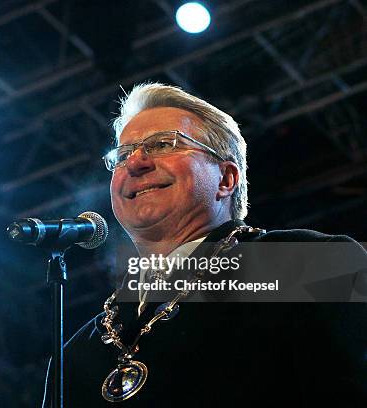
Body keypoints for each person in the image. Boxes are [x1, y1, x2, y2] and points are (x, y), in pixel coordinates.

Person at [42, 83, 367, 407]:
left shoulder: (311, 264)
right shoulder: (76, 354)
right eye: (123, 154)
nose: (135, 162)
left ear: (226, 179)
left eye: (163, 144)